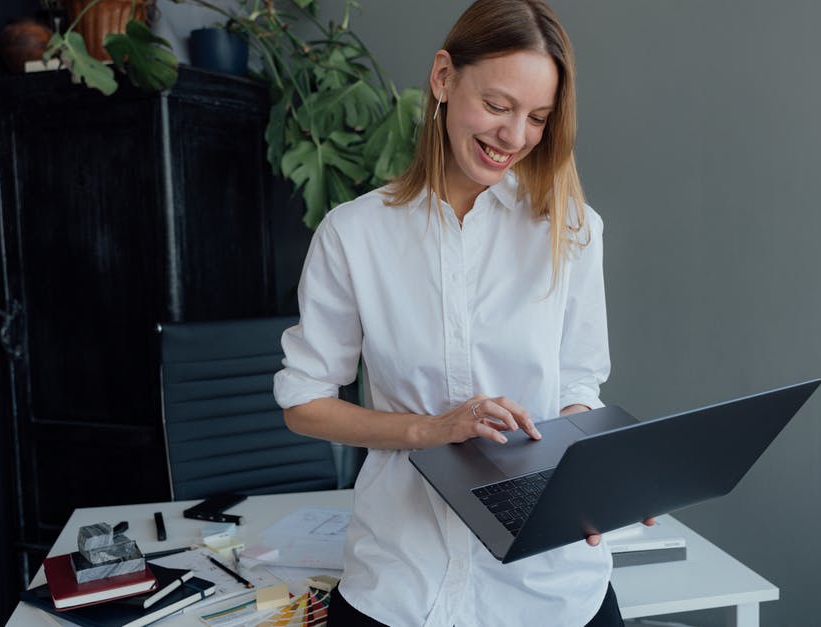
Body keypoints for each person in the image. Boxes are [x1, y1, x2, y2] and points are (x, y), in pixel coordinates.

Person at [274, 1, 646, 624]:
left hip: (548, 594)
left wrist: (594, 480)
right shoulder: (354, 235)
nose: (515, 136)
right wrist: (433, 429)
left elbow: (580, 384)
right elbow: (304, 403)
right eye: (498, 106)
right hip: (401, 586)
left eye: (537, 117)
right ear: (444, 78)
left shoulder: (573, 229)